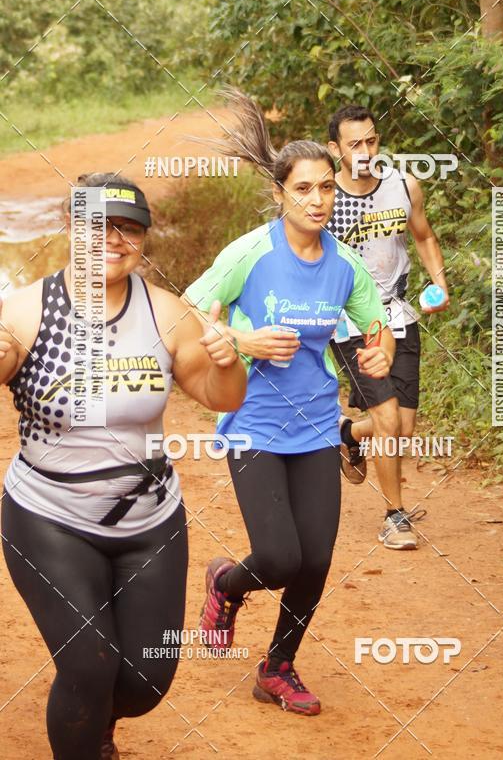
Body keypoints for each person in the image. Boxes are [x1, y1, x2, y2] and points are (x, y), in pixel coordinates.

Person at [0, 173, 246, 760]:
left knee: (142, 685)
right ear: (70, 228)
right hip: (50, 518)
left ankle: (98, 725)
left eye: (128, 228)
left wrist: (227, 359)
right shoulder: (26, 310)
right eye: (97, 226)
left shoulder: (165, 313)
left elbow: (221, 396)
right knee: (89, 664)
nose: (113, 240)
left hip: (150, 520)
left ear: (142, 239)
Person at [182, 90, 394, 716]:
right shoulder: (249, 253)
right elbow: (188, 312)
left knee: (317, 558)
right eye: (303, 189)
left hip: (317, 426)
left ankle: (278, 666)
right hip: (251, 421)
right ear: (280, 193)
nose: (317, 200)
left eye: (326, 188)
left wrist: (377, 354)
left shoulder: (345, 265)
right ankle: (227, 581)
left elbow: (371, 327)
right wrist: (241, 338)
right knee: (277, 556)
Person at [325, 105, 449, 550]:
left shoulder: (402, 184)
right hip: (351, 321)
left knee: (403, 429)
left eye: (372, 140)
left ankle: (346, 435)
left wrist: (438, 280)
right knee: (388, 418)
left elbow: (423, 236)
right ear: (334, 149)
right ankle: (394, 517)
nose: (365, 151)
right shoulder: (325, 197)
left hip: (398, 313)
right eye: (354, 143)